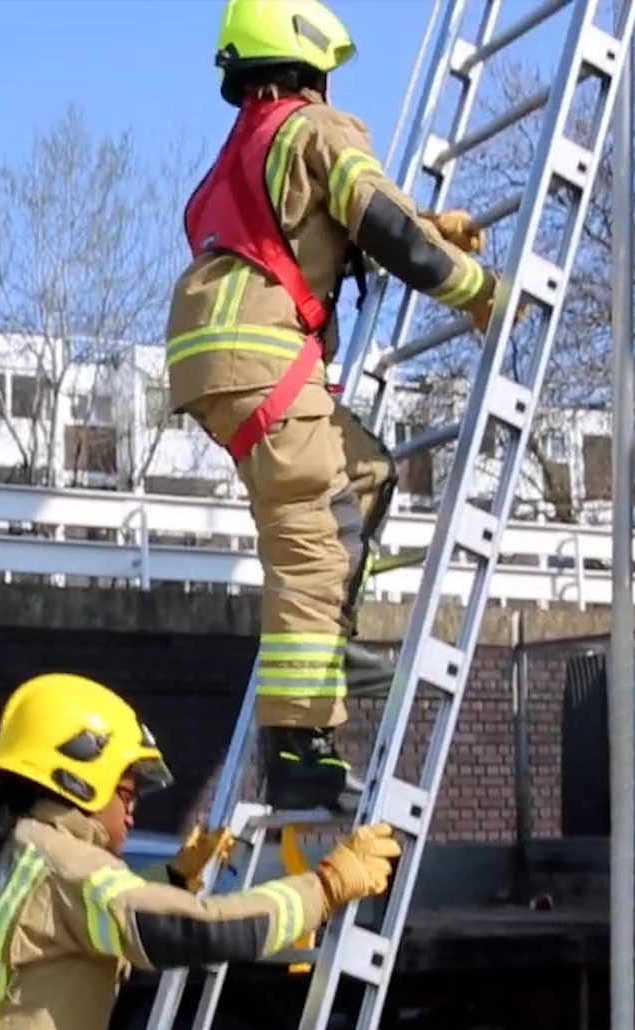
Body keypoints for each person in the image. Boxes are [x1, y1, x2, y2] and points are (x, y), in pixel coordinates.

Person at [164, 0, 508, 814]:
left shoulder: (247, 146)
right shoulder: (318, 127)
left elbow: (320, 222)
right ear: (306, 62)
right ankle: (300, 746)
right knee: (311, 552)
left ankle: (329, 646)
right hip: (266, 355)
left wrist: (433, 224)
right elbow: (382, 226)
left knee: (362, 475)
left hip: (218, 358)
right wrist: (478, 289)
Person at [0, 672, 403, 1030]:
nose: (132, 814)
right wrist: (327, 885)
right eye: (128, 793)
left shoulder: (21, 848)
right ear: (79, 776)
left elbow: (94, 917)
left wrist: (175, 877)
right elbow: (200, 930)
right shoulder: (61, 863)